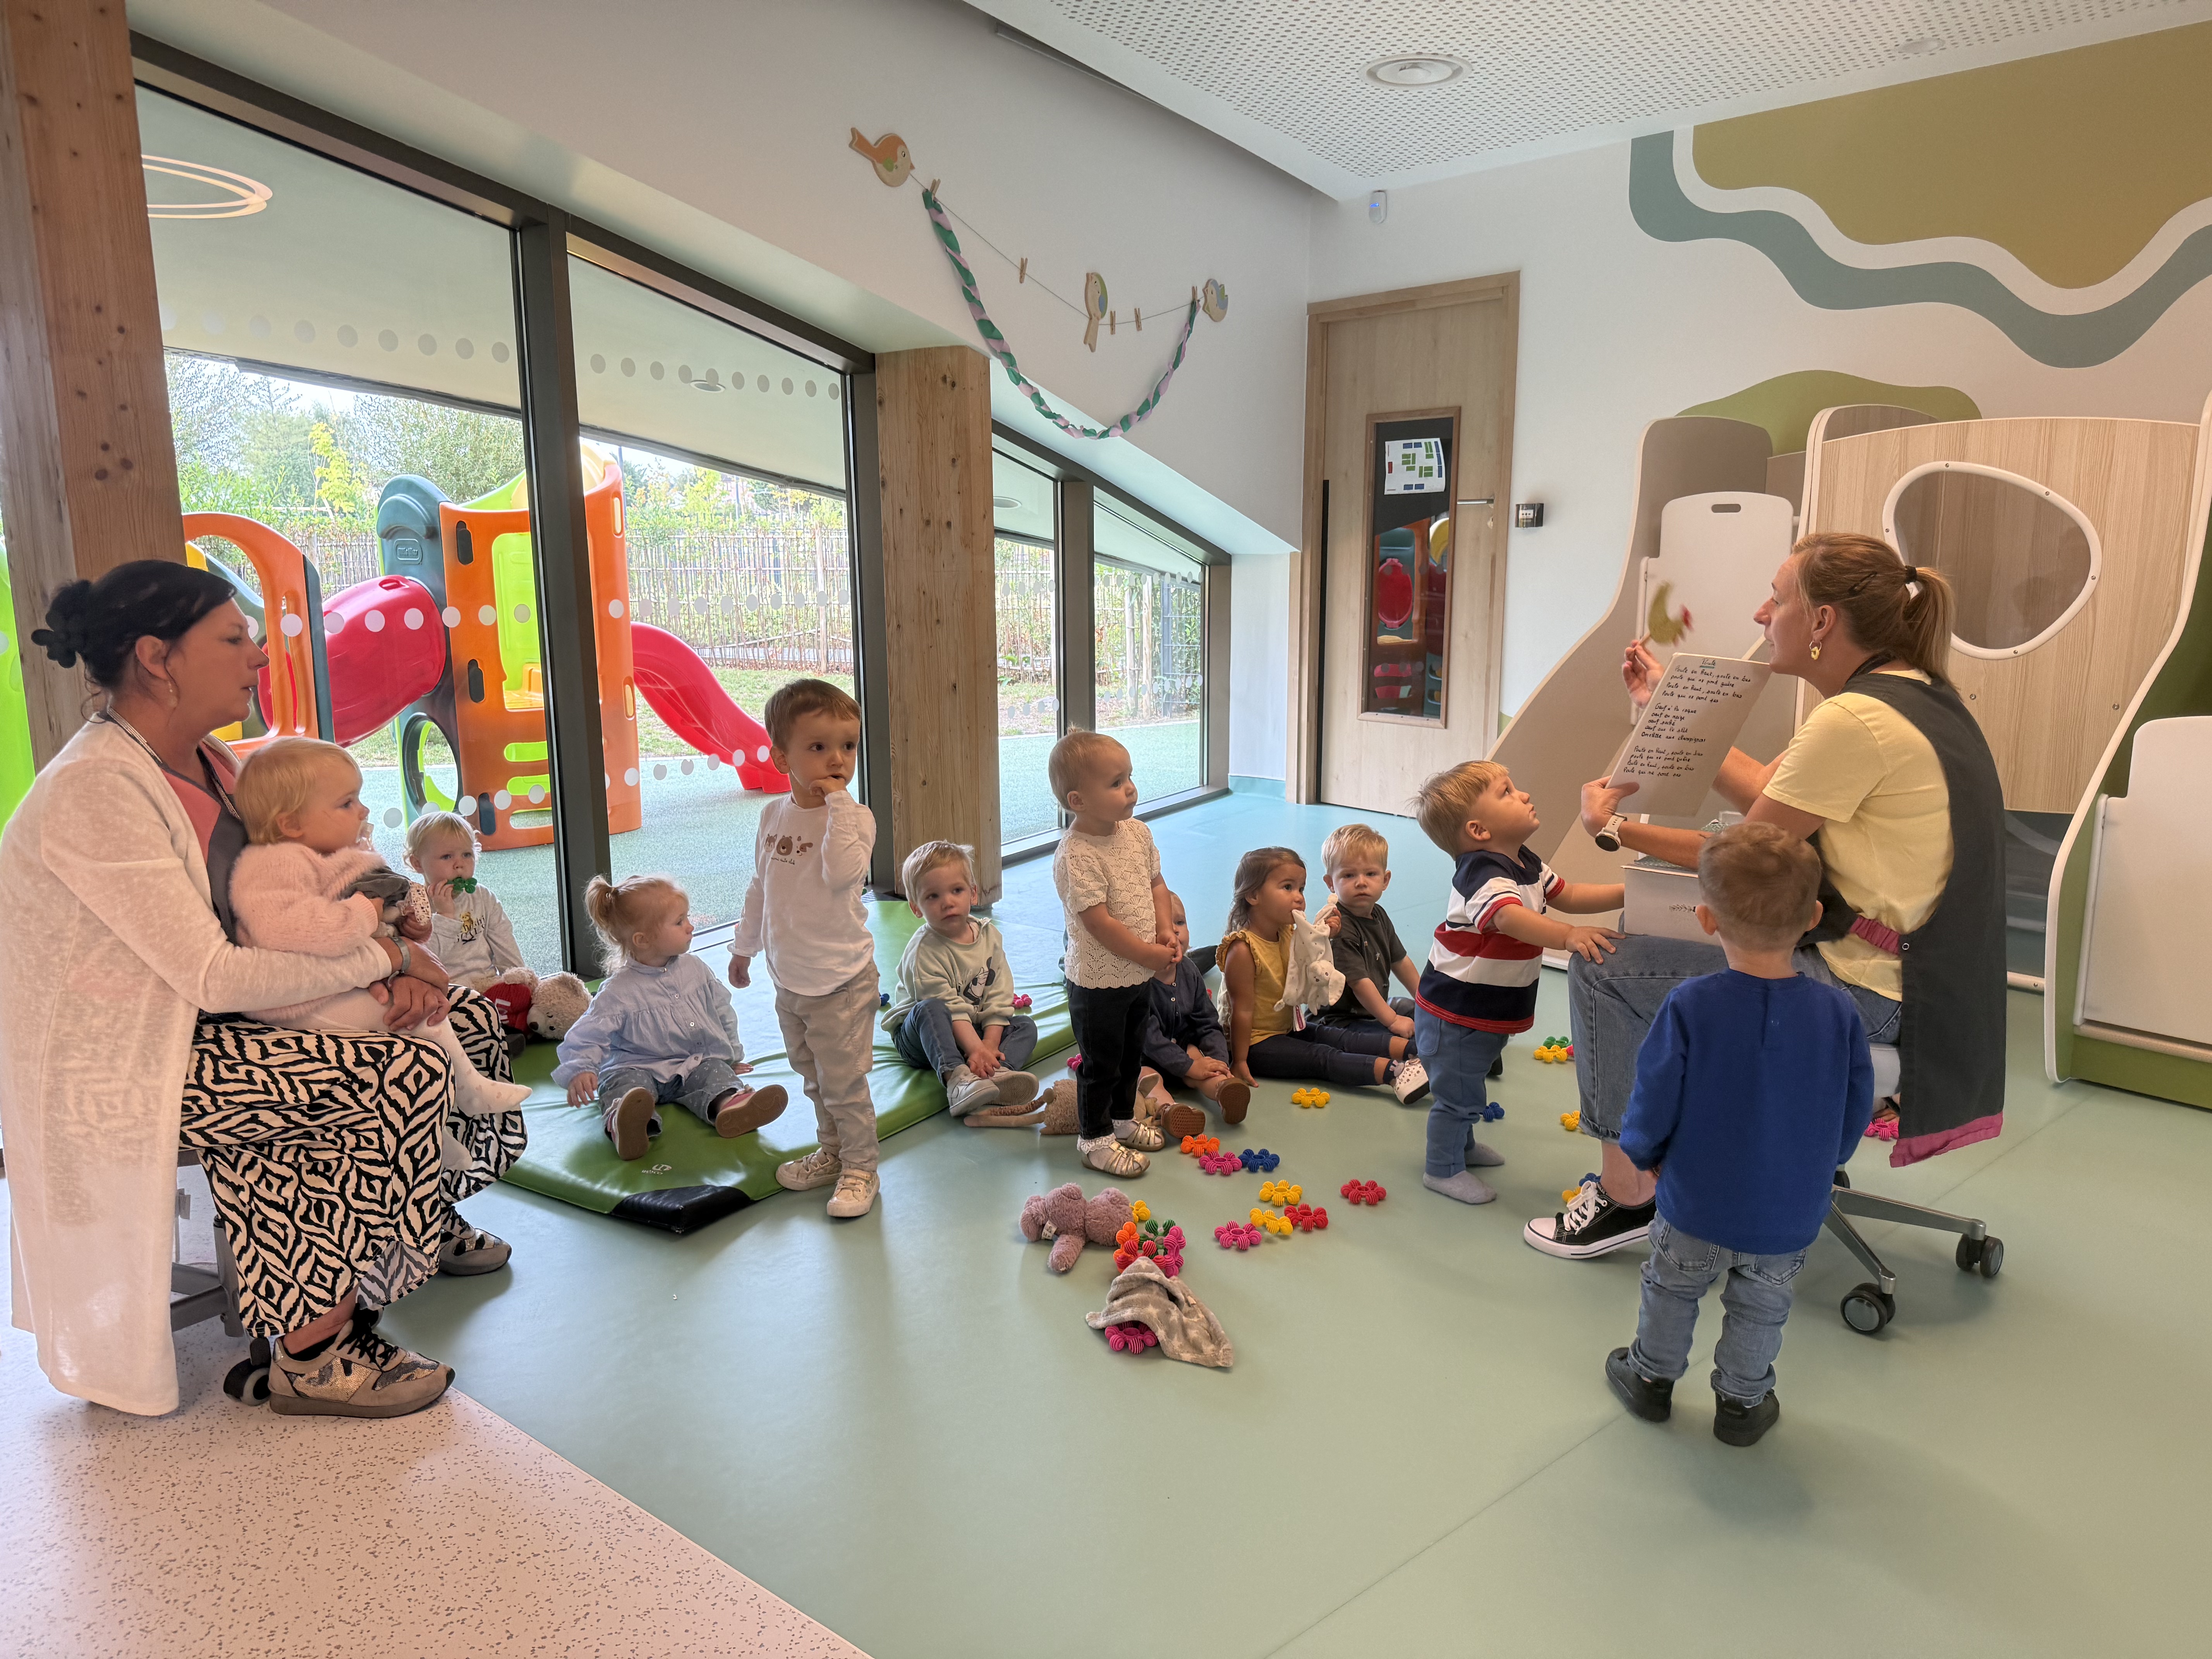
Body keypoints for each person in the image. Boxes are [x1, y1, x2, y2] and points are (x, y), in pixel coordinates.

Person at [0, 561, 512, 1420]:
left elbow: (304, 894)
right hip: (127, 1065)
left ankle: (414, 1212)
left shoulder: (215, 763)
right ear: (158, 658)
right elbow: (214, 972)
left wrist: (394, 959)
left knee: (469, 1021)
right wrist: (386, 958)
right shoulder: (96, 788)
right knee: (376, 1073)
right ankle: (314, 1351)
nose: (259, 656)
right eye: (234, 638)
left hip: (218, 1023)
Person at [1530, 533, 2007, 1262]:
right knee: (1658, 943)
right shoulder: (1912, 694)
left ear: (1821, 621)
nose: (1762, 613)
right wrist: (1665, 705)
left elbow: (1746, 859)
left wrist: (1614, 829)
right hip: (1934, 988)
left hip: (1873, 991)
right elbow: (1767, 789)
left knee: (1606, 966)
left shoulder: (1853, 720)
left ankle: (1628, 1193)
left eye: (1776, 599)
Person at [1604, 823, 1876, 1447]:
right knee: (1762, 1305)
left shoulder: (1690, 1004)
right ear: (1813, 917)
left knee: (1672, 1288)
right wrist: (1829, 1160)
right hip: (1789, 1210)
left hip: (1695, 1202)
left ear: (1705, 918)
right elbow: (1855, 1102)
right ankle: (1742, 1405)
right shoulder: (1838, 1012)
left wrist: (1643, 1151)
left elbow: (1654, 1092)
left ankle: (1650, 1379)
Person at [230, 738, 533, 1137]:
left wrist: (406, 924)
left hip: (340, 982)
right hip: (298, 1003)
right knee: (419, 1022)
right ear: (292, 824)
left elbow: (372, 916)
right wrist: (365, 914)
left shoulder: (329, 855)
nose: (364, 810)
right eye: (347, 803)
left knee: (428, 1017)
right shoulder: (275, 865)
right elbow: (294, 931)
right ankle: (467, 1097)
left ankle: (440, 1132)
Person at [1412, 763, 1624, 1205]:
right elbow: (1507, 917)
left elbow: (1568, 894)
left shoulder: (1525, 861)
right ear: (1479, 830)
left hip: (1483, 1010)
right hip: (1455, 1013)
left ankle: (1462, 1147)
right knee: (1458, 1096)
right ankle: (1442, 1169)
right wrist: (1567, 936)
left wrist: (1628, 892)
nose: (1524, 795)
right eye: (1506, 792)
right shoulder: (1481, 872)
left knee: (1469, 1082)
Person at [729, 678, 882, 1218]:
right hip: (790, 980)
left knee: (844, 1085)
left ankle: (861, 1168)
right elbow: (762, 886)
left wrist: (838, 803)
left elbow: (843, 875)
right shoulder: (773, 816)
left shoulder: (855, 818)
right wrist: (744, 947)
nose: (837, 759)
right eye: (819, 747)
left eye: (848, 746)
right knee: (814, 1079)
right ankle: (833, 1152)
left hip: (841, 981)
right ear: (782, 758)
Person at [556, 874, 787, 1159]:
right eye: (679, 922)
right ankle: (627, 1123)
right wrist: (582, 1069)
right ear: (643, 940)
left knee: (714, 1073)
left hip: (692, 1064)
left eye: (687, 918)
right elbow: (588, 1034)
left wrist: (732, 1055)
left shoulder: (696, 969)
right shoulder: (618, 991)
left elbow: (723, 1011)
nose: (690, 926)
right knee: (622, 1085)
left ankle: (732, 1107)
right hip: (638, 1067)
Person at [1049, 729, 1175, 1176]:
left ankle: (1122, 1120)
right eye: (1117, 783)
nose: (1131, 789)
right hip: (1098, 983)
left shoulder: (1137, 833)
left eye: (1130, 777)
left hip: (1137, 973)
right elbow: (1099, 924)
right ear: (1079, 801)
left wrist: (1165, 931)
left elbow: (1157, 883)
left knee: (1130, 1055)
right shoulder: (1077, 855)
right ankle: (1096, 1140)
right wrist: (1148, 955)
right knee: (1101, 1064)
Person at [1219, 846, 1428, 1100]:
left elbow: (1312, 964)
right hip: (1255, 1044)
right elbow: (1241, 1011)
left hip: (1287, 1027)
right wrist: (1240, 1061)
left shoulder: (1286, 933)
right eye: (1288, 888)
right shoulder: (1243, 950)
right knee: (1322, 1057)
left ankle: (1422, 1053)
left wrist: (1328, 936)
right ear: (1253, 895)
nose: (1299, 898)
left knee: (1339, 1038)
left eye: (1301, 889)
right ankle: (1395, 1073)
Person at [884, 839, 1039, 1116]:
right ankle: (958, 1080)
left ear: (973, 894)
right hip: (925, 1038)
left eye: (957, 890)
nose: (948, 902)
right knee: (930, 1009)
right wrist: (976, 1048)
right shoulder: (924, 951)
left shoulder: (989, 937)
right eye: (933, 897)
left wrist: (989, 1046)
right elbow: (950, 1009)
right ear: (916, 908)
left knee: (1025, 1026)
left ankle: (996, 1075)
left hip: (972, 1028)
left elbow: (999, 997)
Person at [1139, 890, 1250, 1127]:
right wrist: (1190, 1066)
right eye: (1162, 926)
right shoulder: (1138, 982)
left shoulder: (1189, 971)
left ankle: (1223, 1091)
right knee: (1148, 1078)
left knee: (1199, 1060)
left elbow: (1207, 1022)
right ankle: (1170, 1111)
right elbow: (1150, 1040)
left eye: (1180, 922)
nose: (1175, 930)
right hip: (1145, 1057)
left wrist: (1216, 1062)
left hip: (1182, 1049)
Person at [1308, 823, 1420, 1041]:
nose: (1361, 883)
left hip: (1370, 1011)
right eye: (1349, 876)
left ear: (1385, 880)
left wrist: (1426, 1002)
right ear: (1331, 883)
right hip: (1339, 1021)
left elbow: (1401, 962)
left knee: (1419, 1012)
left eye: (1370, 874)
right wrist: (1393, 1020)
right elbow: (1360, 984)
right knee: (1396, 1041)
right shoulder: (1339, 927)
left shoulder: (1379, 914)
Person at [405, 809, 525, 986]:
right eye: (447, 857)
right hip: (447, 992)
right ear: (418, 864)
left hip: (488, 984)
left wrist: (520, 981)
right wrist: (445, 916)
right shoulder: (414, 906)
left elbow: (506, 944)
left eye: (467, 855)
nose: (459, 864)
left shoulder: (483, 897)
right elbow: (423, 961)